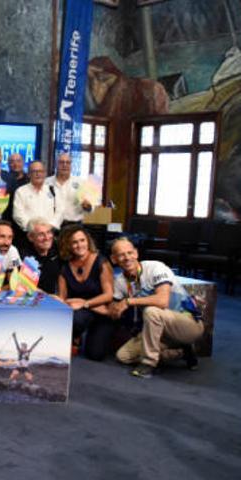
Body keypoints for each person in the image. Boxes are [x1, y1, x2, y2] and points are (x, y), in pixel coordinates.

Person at [107, 238, 203, 378]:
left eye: (130, 253)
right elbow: (114, 307)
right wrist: (113, 310)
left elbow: (162, 301)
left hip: (186, 323)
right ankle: (182, 351)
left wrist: (128, 301)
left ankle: (149, 363)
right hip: (157, 331)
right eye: (121, 255)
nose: (127, 258)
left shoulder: (155, 268)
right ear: (114, 259)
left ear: (136, 254)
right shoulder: (120, 281)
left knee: (151, 311)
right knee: (123, 356)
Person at [57, 224, 114, 361]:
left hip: (102, 311)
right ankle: (75, 336)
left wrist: (85, 303)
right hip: (80, 313)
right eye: (74, 242)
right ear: (68, 245)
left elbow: (108, 295)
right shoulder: (65, 267)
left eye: (82, 240)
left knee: (95, 354)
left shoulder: (101, 261)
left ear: (88, 241)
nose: (79, 245)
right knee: (76, 319)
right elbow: (62, 298)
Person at [13, 160, 62, 234]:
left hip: (49, 233)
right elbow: (18, 214)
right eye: (34, 171)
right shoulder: (21, 191)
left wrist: (50, 226)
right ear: (29, 174)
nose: (38, 174)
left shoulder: (53, 190)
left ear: (45, 174)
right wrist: (33, 229)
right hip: (29, 234)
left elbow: (60, 211)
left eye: (40, 171)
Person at [46, 153, 92, 227]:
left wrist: (87, 206)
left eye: (68, 162)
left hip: (74, 225)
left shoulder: (81, 183)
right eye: (61, 162)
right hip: (51, 225)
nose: (65, 165)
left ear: (71, 165)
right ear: (56, 164)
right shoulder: (46, 183)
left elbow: (89, 208)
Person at [23, 218, 61, 294]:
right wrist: (49, 297)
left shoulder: (58, 249)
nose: (47, 238)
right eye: (41, 234)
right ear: (30, 237)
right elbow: (28, 287)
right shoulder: (26, 257)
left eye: (48, 232)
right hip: (35, 299)